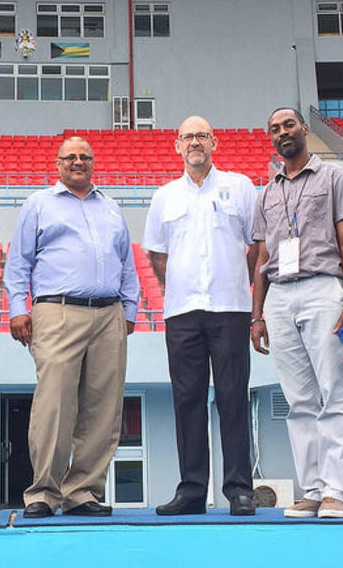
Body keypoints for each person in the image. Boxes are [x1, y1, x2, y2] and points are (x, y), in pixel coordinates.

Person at [3, 136, 140, 518]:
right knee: (54, 404)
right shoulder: (39, 204)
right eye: (70, 157)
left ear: (93, 162)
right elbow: (18, 264)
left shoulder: (111, 208)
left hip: (108, 313)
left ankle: (82, 491)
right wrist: (17, 308)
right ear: (58, 163)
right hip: (57, 311)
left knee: (103, 407)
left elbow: (127, 263)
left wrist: (129, 310)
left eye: (85, 157)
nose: (78, 162)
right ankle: (44, 492)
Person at [250, 106, 343, 519]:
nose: (282, 132)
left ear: (303, 129)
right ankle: (312, 489)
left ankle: (337, 491)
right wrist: (257, 314)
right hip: (279, 295)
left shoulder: (335, 178)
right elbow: (262, 256)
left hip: (323, 289)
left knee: (335, 393)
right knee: (298, 401)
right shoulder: (266, 193)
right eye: (274, 128)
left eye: (288, 125)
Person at [142, 115, 259, 517]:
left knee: (232, 399)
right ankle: (192, 490)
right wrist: (175, 285)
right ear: (177, 145)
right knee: (187, 400)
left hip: (230, 309)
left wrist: (240, 282)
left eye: (202, 136)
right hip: (182, 313)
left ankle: (240, 489)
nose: (195, 142)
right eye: (187, 136)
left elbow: (257, 245)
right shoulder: (164, 197)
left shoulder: (240, 187)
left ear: (215, 142)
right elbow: (156, 253)